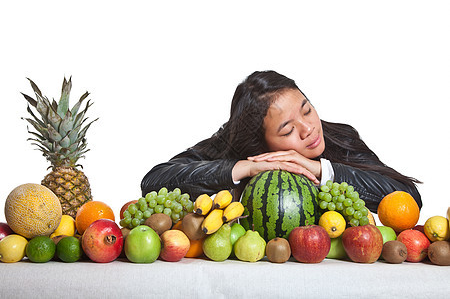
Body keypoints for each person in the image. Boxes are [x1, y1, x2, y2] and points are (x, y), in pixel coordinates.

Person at [141, 70, 422, 212]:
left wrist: (319, 169)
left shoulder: (341, 138)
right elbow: (154, 181)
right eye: (287, 131)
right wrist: (244, 169)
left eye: (307, 110)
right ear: (260, 145)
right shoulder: (233, 145)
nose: (309, 129)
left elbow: (408, 199)